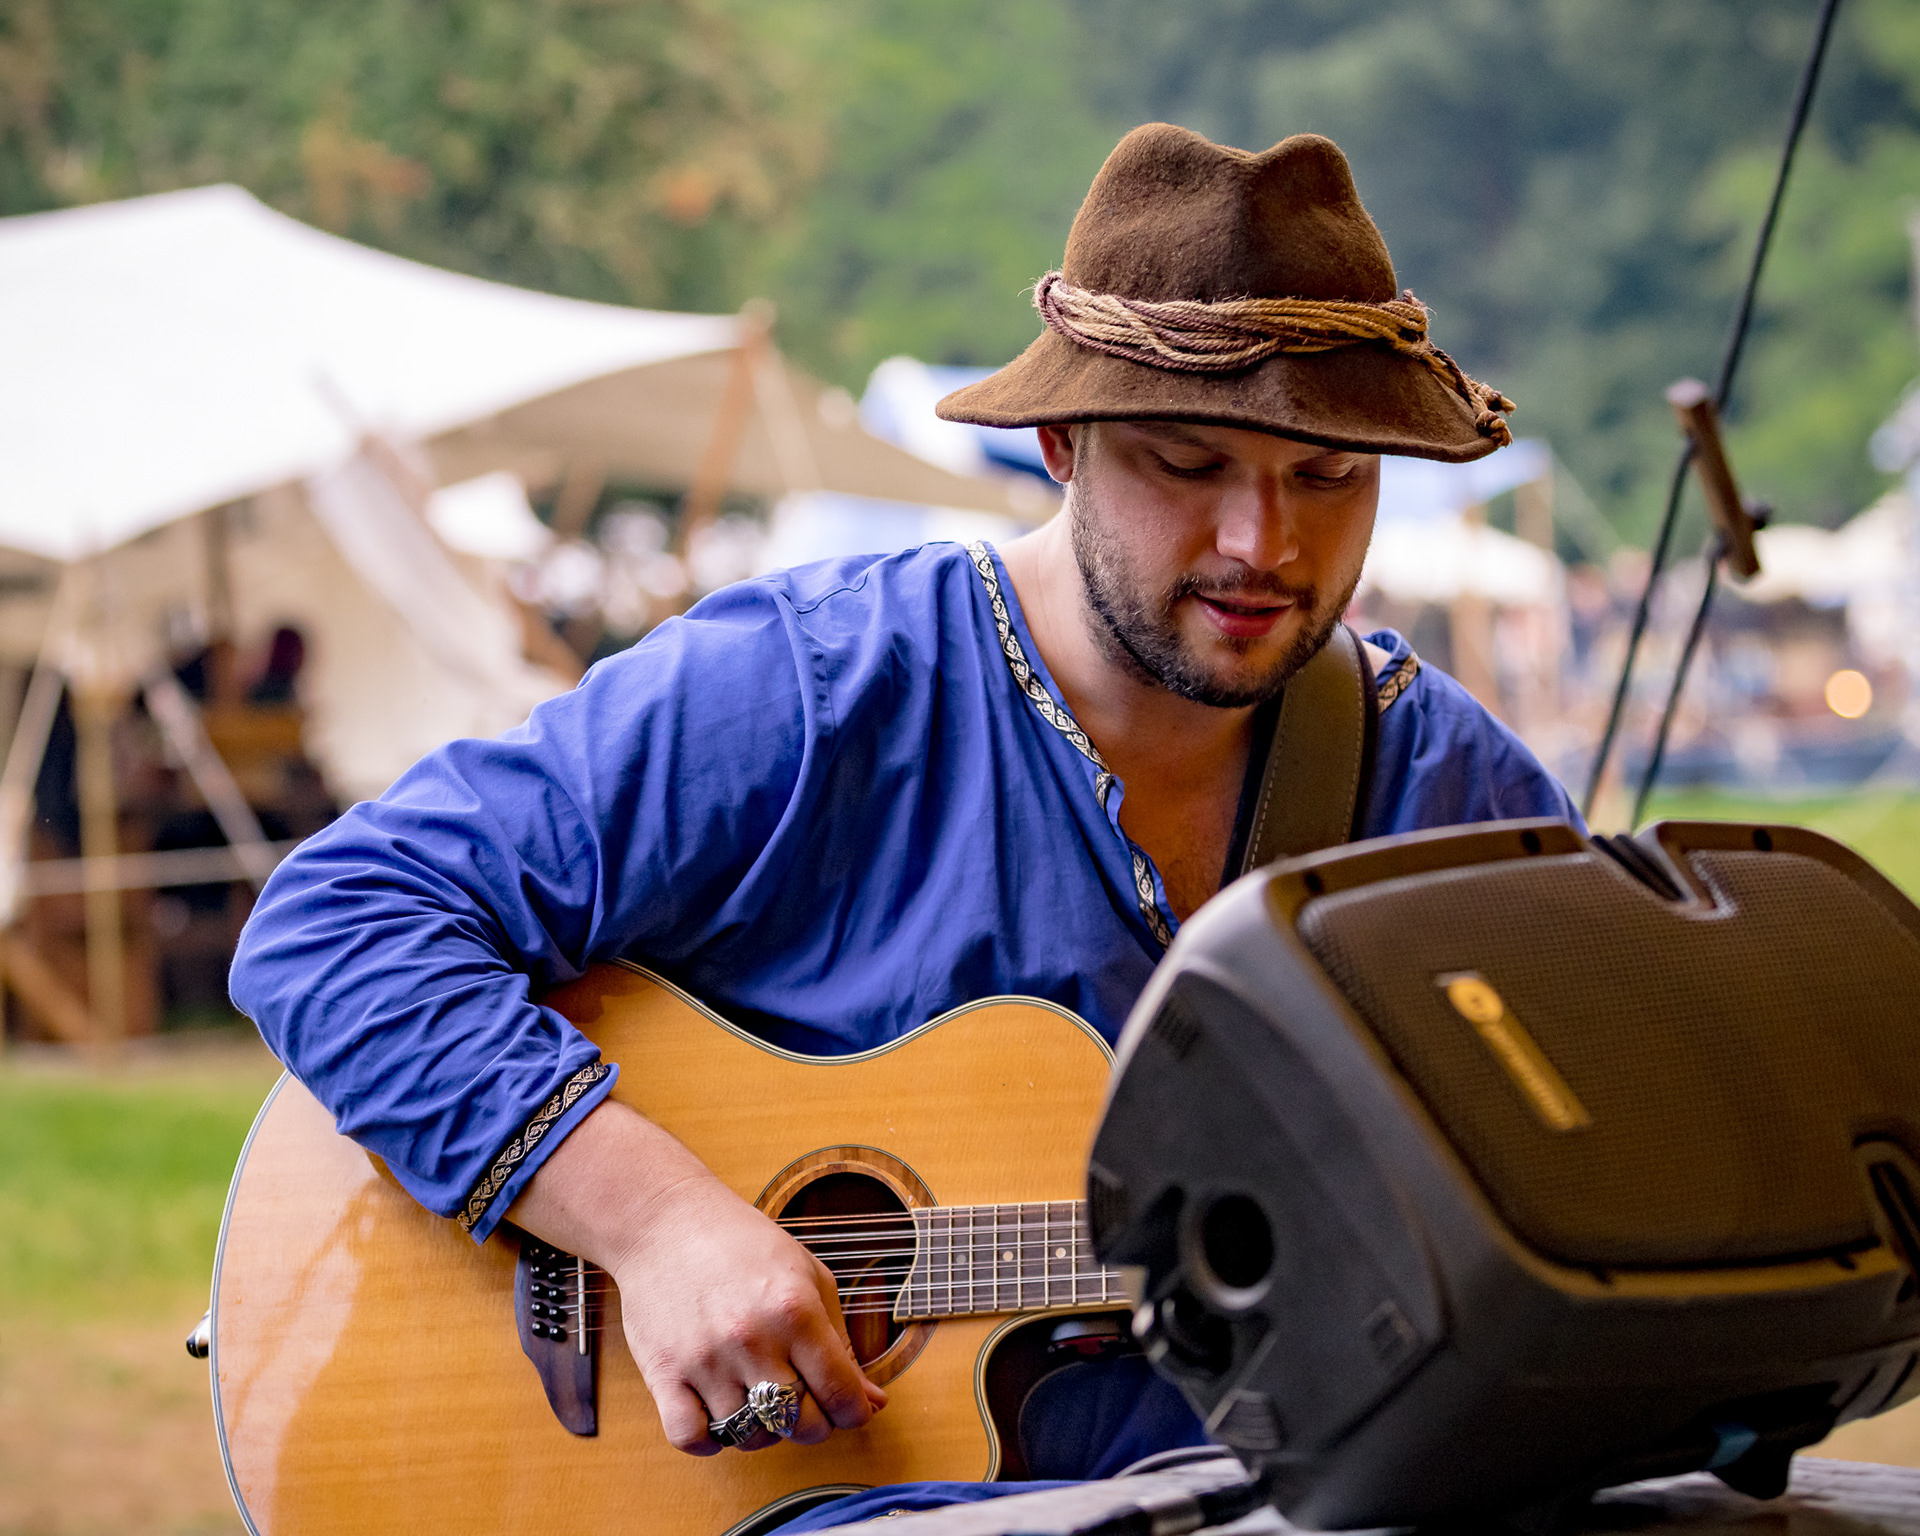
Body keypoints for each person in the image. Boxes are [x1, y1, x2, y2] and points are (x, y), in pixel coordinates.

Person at [230, 124, 1580, 1527]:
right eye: (1190, 462)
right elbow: (338, 922)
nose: (1265, 543)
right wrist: (657, 1222)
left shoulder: (1448, 793)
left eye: (1328, 476)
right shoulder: (809, 690)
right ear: (1061, 445)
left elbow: (1603, 1155)